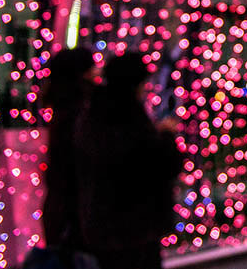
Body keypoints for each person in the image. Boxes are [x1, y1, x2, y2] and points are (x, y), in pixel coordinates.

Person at [75, 51, 183, 269]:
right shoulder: (129, 118)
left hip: (104, 227)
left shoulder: (93, 114)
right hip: (135, 228)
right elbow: (158, 164)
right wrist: (166, 136)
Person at [41, 47, 97, 253]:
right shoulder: (82, 111)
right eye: (91, 69)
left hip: (60, 208)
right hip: (77, 212)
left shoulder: (60, 108)